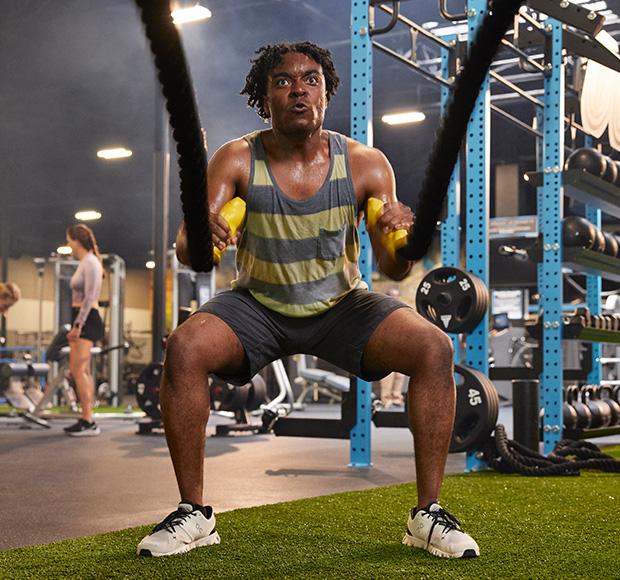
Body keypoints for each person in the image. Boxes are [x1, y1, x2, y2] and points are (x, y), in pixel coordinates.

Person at [138, 42, 479, 559]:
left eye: (311, 79)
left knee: (434, 348)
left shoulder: (366, 163)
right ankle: (194, 513)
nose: (299, 88)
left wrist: (398, 235)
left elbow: (392, 267)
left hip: (343, 306)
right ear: (264, 98)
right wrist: (199, 232)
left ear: (326, 92)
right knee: (185, 346)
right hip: (257, 304)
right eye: (283, 81)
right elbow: (190, 250)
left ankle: (427, 513)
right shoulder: (236, 158)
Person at [63, 224, 105, 437]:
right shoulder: (85, 262)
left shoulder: (90, 262)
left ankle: (87, 419)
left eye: (68, 240)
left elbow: (89, 298)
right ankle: (87, 418)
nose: (68, 244)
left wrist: (78, 325)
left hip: (87, 319)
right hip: (83, 319)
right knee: (82, 370)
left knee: (78, 370)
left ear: (76, 240)